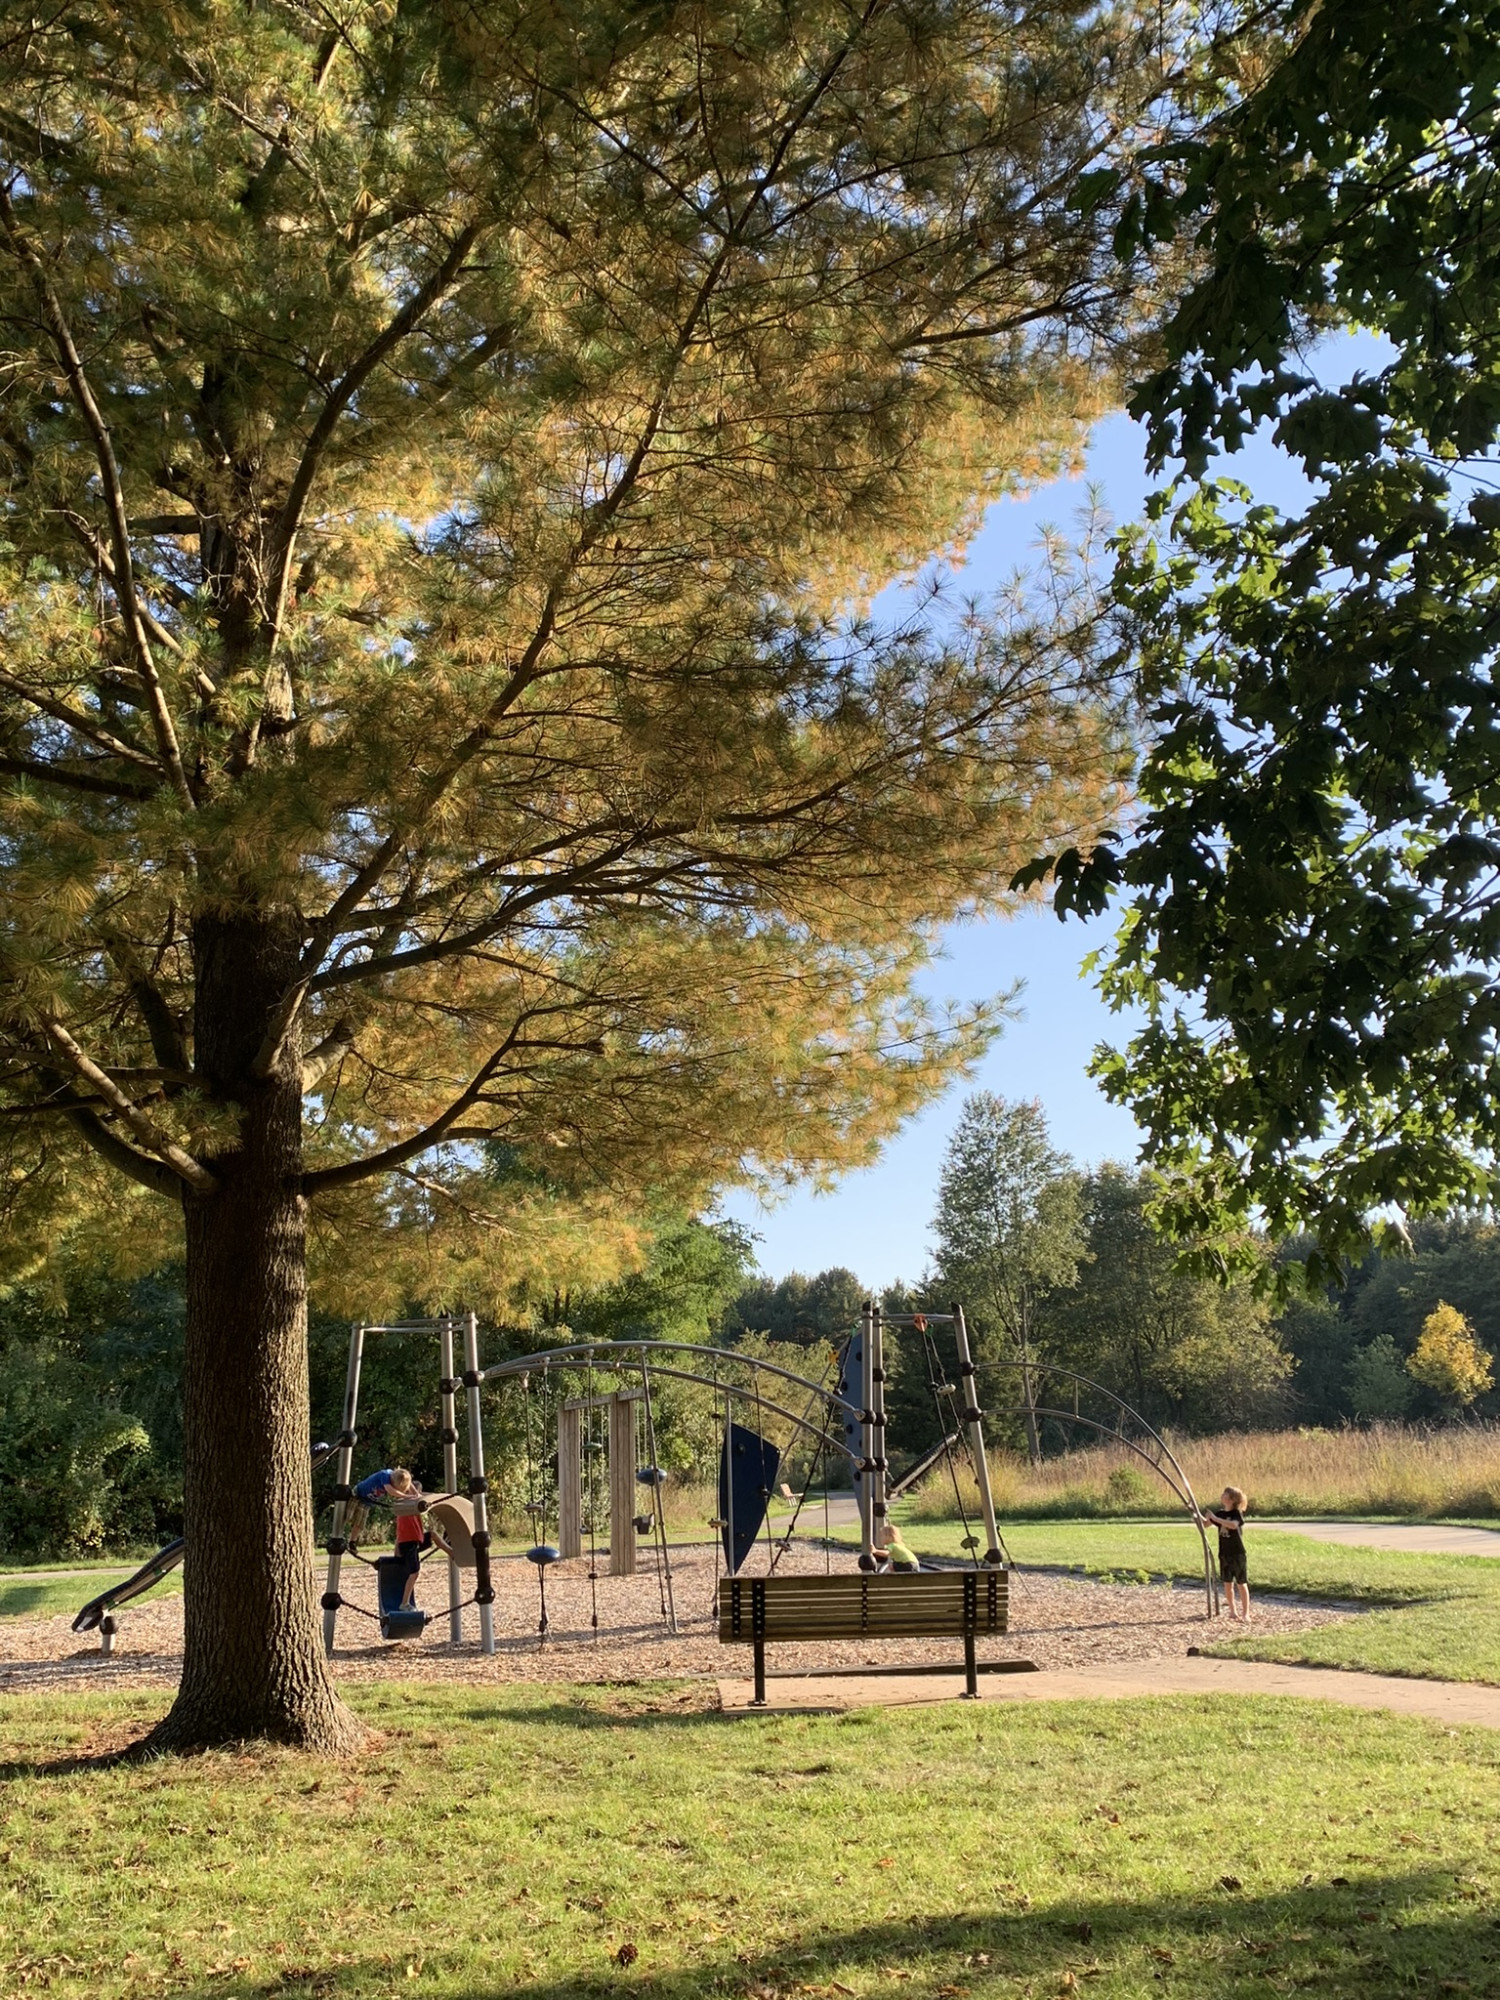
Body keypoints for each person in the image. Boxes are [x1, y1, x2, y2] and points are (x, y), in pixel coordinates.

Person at [1202, 1486, 1250, 1620]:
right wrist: (1199, 1517)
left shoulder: (1236, 1514)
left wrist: (1214, 1519)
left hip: (1237, 1553)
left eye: (1225, 1494)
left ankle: (1246, 1613)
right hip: (1224, 1553)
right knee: (1227, 1583)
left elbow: (1233, 1525)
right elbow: (1206, 1524)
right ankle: (1232, 1611)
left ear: (1231, 1499)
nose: (1222, 1496)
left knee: (1241, 1583)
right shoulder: (1220, 1513)